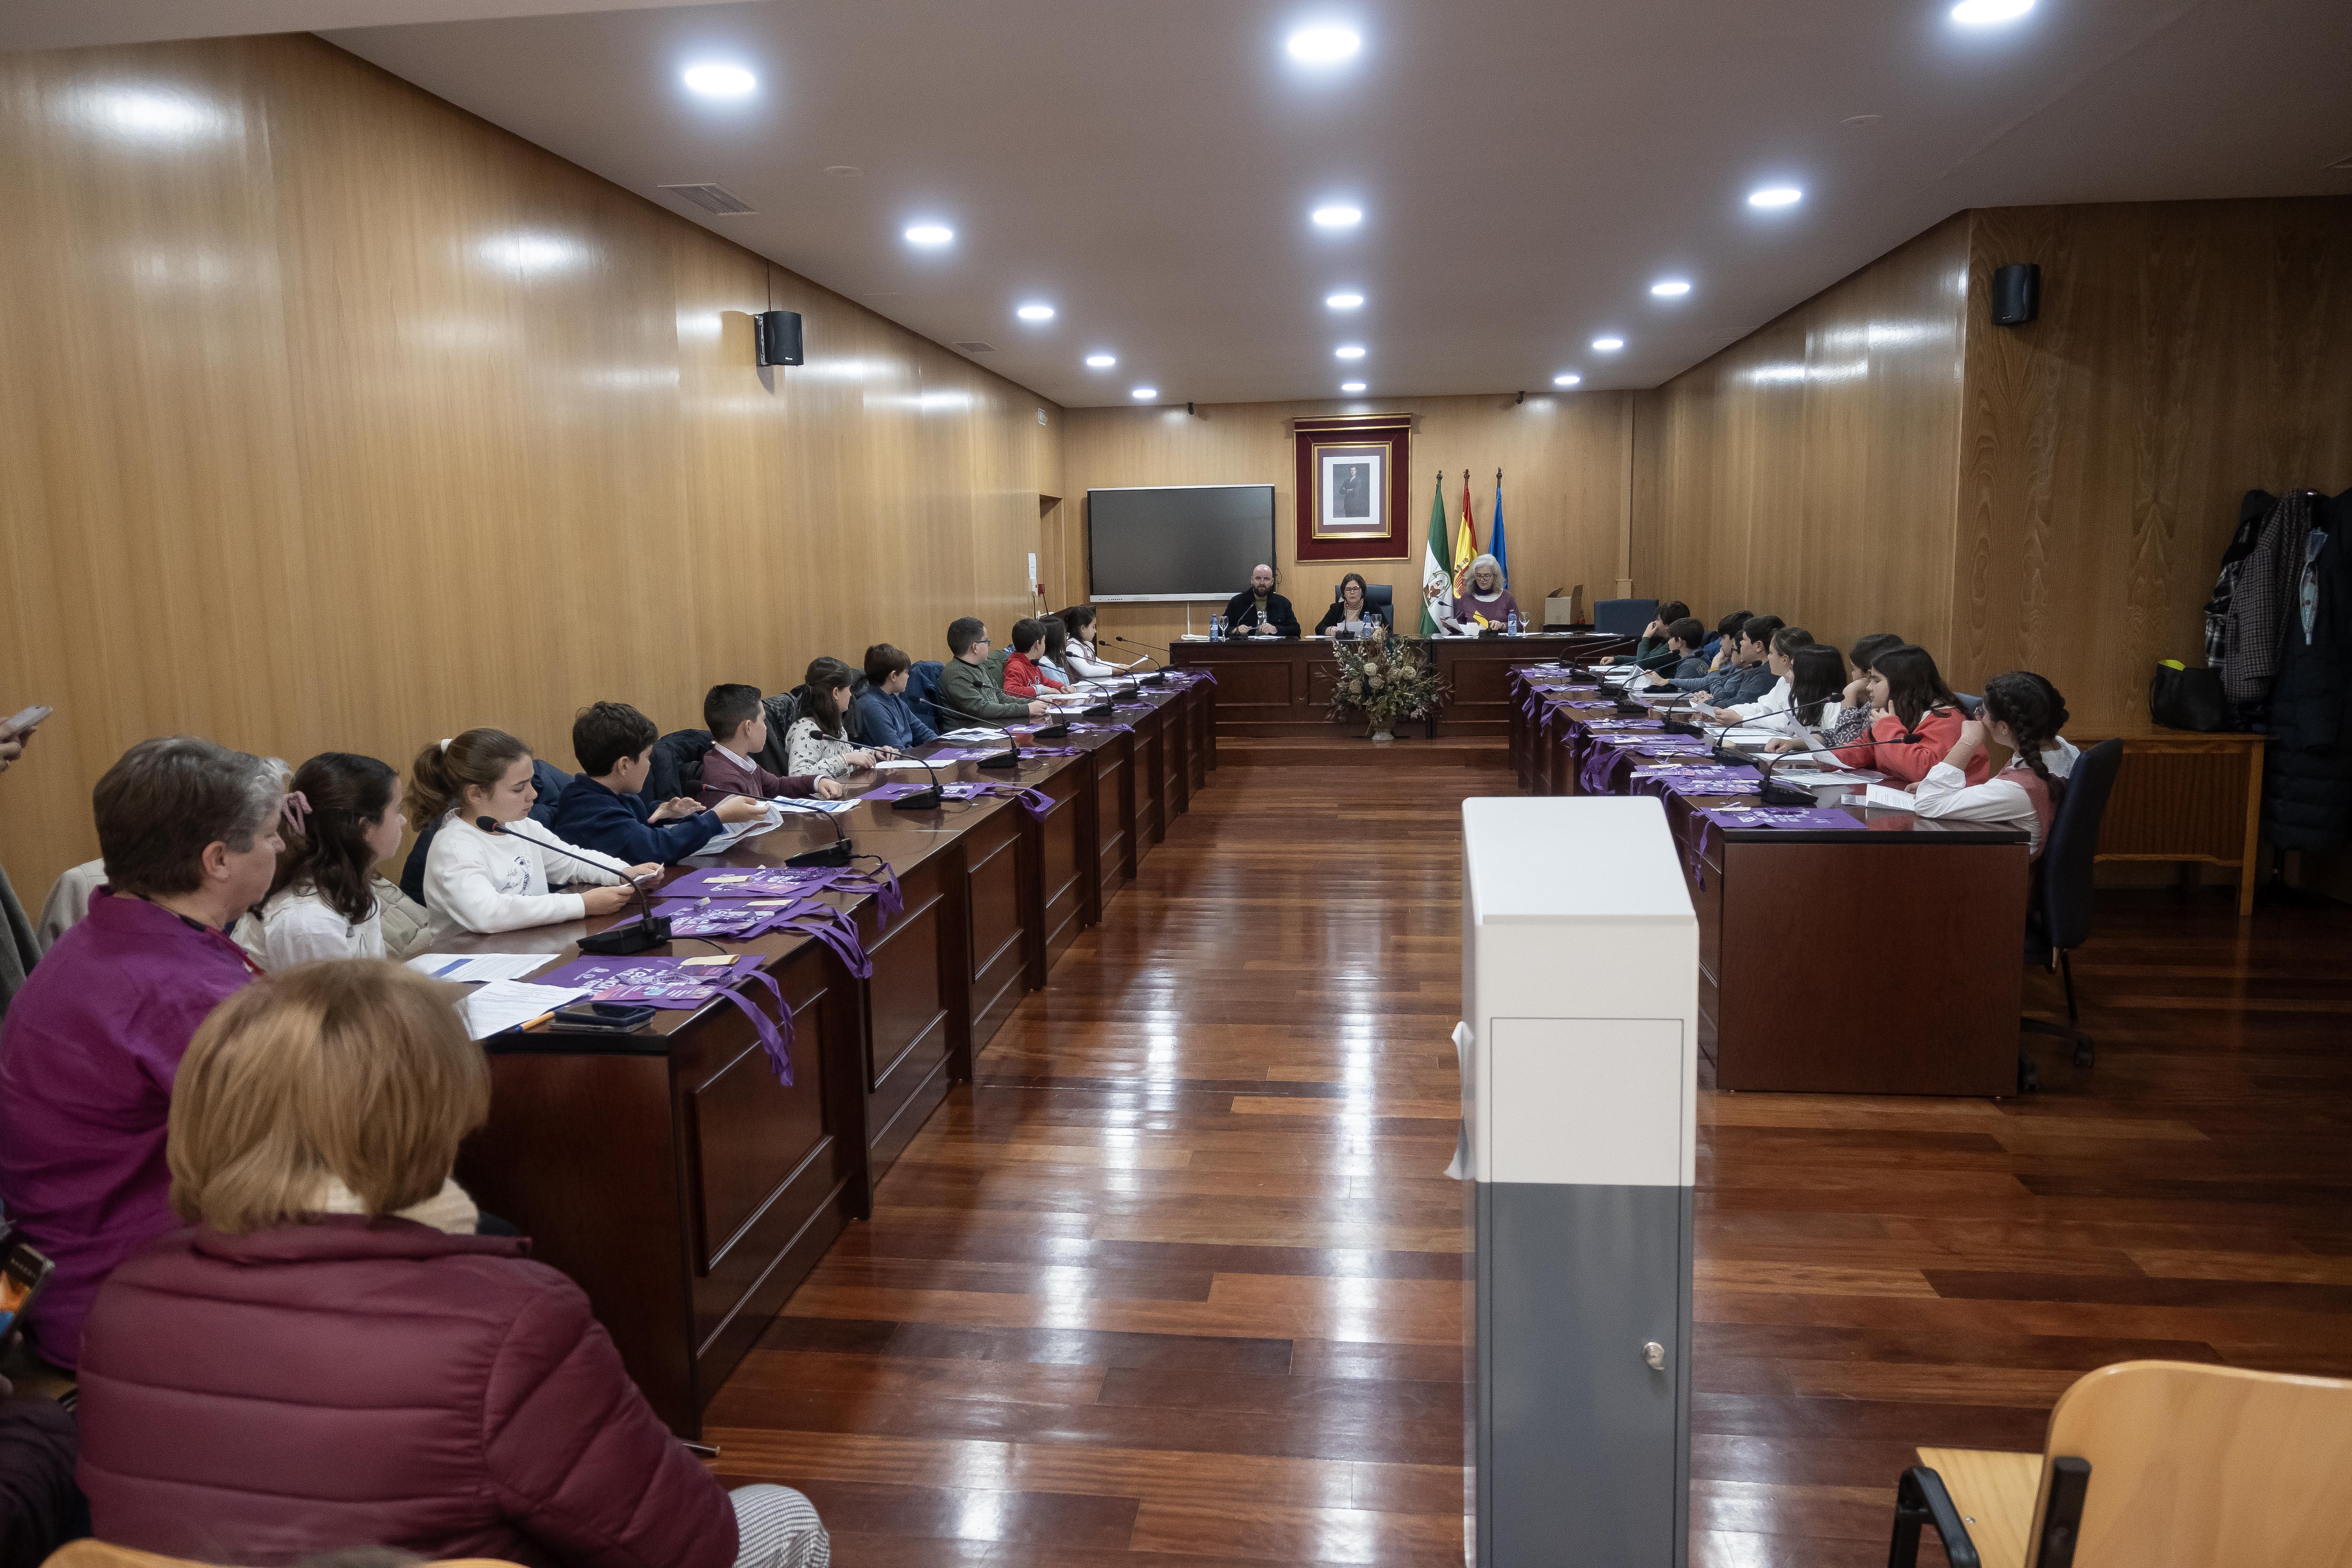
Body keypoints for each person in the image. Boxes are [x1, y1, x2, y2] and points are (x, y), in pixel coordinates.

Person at [75, 959, 831, 1568]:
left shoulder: (126, 1297)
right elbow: (693, 1547)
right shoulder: (512, 1323)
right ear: (430, 1115)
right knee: (784, 1516)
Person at [0, 737, 280, 1369]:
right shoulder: (181, 991)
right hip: (134, 1302)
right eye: (270, 834)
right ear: (218, 860)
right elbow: (302, 1151)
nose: (282, 847)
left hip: (65, 1278)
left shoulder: (95, 941)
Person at [412, 729, 654, 941]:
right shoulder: (454, 847)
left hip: (525, 947)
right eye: (519, 789)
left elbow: (571, 861)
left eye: (530, 783)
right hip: (473, 964)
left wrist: (622, 872)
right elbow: (487, 913)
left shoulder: (521, 826)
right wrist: (582, 904)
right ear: (476, 794)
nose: (533, 795)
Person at [245, 753, 435, 968]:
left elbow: (372, 976)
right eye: (397, 810)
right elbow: (333, 991)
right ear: (364, 828)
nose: (403, 821)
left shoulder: (353, 885)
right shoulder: (309, 921)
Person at [551, 702, 766, 866]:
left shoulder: (613, 795)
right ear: (624, 765)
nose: (649, 764)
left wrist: (662, 812)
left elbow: (635, 824)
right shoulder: (589, 810)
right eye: (647, 757)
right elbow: (655, 848)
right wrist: (718, 817)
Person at [1912, 672, 2079, 856]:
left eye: (1983, 712)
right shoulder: (2065, 750)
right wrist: (1941, 787)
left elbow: (1928, 804)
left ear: (2003, 727)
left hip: (2008, 866)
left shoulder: (2020, 788)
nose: (1979, 716)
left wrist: (1968, 742)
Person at [1833, 644, 1990, 784]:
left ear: (1902, 683)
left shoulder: (1947, 719)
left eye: (1876, 680)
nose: (1869, 688)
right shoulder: (1902, 712)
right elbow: (1867, 749)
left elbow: (1924, 771)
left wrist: (1887, 728)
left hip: (1950, 804)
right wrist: (1828, 758)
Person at [700, 685, 844, 804]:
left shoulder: (741, 762)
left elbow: (778, 785)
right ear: (748, 727)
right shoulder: (723, 780)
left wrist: (817, 782)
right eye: (763, 720)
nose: (766, 728)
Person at [1695, 626, 1816, 735]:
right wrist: (1722, 713)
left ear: (1785, 659)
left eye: (1771, 653)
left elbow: (1786, 724)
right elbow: (1761, 707)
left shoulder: (1806, 686)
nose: (1768, 657)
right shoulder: (1783, 681)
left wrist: (1742, 720)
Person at [786, 657, 886, 778]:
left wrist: (874, 753)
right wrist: (845, 760)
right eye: (849, 689)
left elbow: (847, 756)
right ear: (836, 693)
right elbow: (798, 775)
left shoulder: (833, 723)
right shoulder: (806, 730)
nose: (850, 694)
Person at [1649, 613, 1780, 705]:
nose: (1741, 643)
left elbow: (1737, 703)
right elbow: (1727, 695)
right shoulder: (1753, 669)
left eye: (1745, 640)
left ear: (1758, 646)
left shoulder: (1764, 675)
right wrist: (1711, 699)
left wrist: (1709, 702)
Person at [938, 618, 1050, 726]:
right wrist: (1026, 709)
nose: (988, 645)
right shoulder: (957, 675)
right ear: (975, 647)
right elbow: (982, 709)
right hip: (968, 734)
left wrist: (1033, 702)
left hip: (991, 727)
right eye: (987, 641)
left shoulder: (980, 667)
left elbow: (1000, 697)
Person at [854, 645, 941, 751]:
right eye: (906, 672)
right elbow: (897, 752)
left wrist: (941, 746)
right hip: (899, 759)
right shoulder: (873, 707)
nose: (908, 676)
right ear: (894, 676)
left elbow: (922, 732)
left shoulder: (893, 699)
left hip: (909, 756)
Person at [1596, 601, 1690, 670]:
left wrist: (1646, 638)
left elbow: (1643, 664)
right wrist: (1617, 659)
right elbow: (1647, 659)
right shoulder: (1668, 641)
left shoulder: (1675, 645)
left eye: (1658, 620)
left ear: (1669, 626)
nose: (1655, 622)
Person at [1440, 554, 1520, 634]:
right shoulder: (1467, 597)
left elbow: (1520, 626)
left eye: (1487, 576)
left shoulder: (1507, 597)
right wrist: (1450, 625)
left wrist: (1503, 626)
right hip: (1473, 642)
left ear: (1495, 576)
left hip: (1500, 642)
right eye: (1479, 576)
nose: (1482, 580)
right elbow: (1460, 627)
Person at [1220, 564, 1300, 640]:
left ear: (1272, 582)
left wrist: (1276, 629)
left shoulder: (1283, 603)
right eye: (1258, 579)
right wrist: (1235, 630)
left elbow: (1296, 629)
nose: (1262, 583)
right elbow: (1219, 630)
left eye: (1267, 579)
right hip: (1246, 647)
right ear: (1252, 580)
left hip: (1274, 646)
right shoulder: (1237, 602)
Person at [998, 621, 1066, 700]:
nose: (1045, 645)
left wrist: (1061, 687)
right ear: (1037, 644)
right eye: (1044, 642)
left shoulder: (1032, 663)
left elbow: (1045, 681)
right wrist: (1039, 690)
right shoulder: (1016, 666)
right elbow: (1010, 691)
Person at [1058, 607, 1133, 678]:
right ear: (1083, 628)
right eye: (1093, 627)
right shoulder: (1072, 648)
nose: (1095, 631)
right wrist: (1113, 671)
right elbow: (1086, 671)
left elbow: (1096, 663)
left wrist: (1119, 666)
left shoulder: (1086, 644)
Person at [1315, 572, 1391, 637]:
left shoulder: (1371, 606)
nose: (1352, 593)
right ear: (1344, 593)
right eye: (1348, 590)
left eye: (1356, 589)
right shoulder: (1336, 608)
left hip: (1366, 648)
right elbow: (1319, 629)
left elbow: (1388, 629)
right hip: (1340, 648)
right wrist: (1330, 630)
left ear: (1362, 591)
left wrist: (1374, 630)